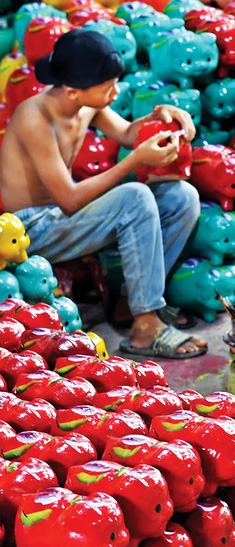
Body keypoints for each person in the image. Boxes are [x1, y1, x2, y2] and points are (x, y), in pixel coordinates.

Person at [0, 29, 207, 359]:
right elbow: (68, 199)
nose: (115, 93)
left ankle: (131, 303)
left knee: (181, 196)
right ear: (72, 91)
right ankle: (146, 327)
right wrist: (137, 161)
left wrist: (161, 117)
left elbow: (126, 132)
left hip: (65, 216)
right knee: (135, 196)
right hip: (30, 229)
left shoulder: (86, 105)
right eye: (107, 88)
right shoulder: (34, 118)